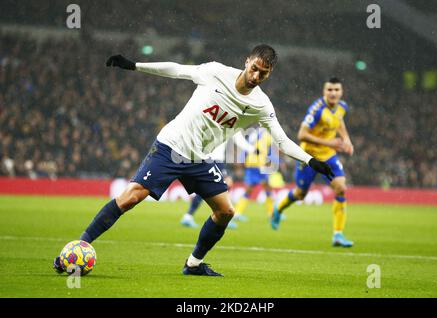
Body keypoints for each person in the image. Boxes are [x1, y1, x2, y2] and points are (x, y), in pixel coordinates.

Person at [53, 44, 334, 277]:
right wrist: (134, 65)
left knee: (225, 212)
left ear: (269, 74)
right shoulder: (215, 72)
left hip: (199, 159)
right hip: (171, 147)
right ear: (247, 61)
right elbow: (175, 70)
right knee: (129, 199)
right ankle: (76, 249)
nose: (256, 75)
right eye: (254, 68)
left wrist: (311, 161)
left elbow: (282, 141)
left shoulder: (261, 105)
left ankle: (194, 264)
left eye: (264, 73)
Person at [271, 77, 354, 247]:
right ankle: (278, 209)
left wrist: (346, 139)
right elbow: (302, 135)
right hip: (309, 157)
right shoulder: (316, 110)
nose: (333, 93)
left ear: (341, 92)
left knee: (341, 189)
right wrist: (329, 142)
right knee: (301, 194)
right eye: (329, 90)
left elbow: (339, 122)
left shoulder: (342, 107)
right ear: (324, 92)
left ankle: (338, 235)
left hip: (329, 156)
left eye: (336, 90)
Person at [180, 131, 256, 229]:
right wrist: (254, 150)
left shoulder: (215, 121)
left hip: (207, 158)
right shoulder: (231, 124)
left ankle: (191, 216)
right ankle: (220, 217)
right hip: (215, 160)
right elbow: (240, 141)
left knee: (212, 187)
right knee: (224, 185)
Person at [233, 127, 275, 221]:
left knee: (250, 190)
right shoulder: (268, 134)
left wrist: (241, 159)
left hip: (251, 164)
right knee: (267, 188)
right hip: (259, 165)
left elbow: (246, 147)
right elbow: (273, 148)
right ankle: (271, 213)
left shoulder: (254, 133)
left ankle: (238, 212)